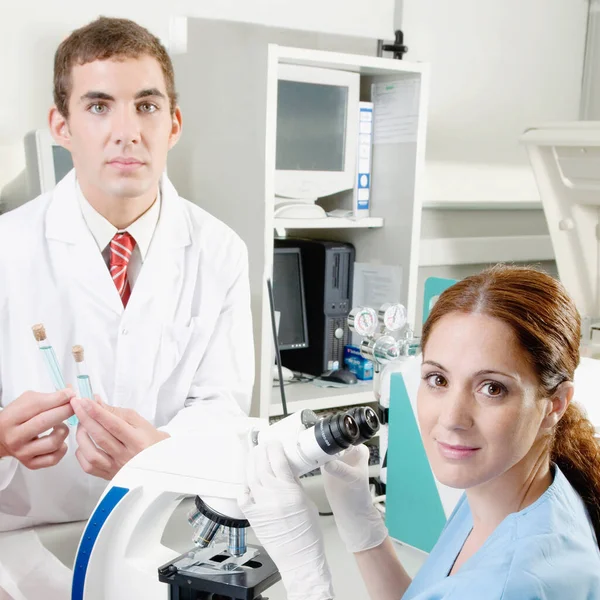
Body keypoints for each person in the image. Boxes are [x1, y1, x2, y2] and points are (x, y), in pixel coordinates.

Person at [0, 16, 253, 598]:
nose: (126, 131)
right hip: (22, 540)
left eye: (145, 106)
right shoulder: (7, 249)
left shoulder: (219, 252)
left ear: (174, 122)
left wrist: (163, 451)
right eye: (98, 106)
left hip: (152, 528)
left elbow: (222, 401)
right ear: (60, 125)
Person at [241, 265, 600, 599]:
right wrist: (362, 526)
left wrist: (304, 575)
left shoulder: (512, 583)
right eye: (438, 379)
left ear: (555, 403)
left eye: (492, 388)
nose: (452, 418)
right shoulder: (506, 493)